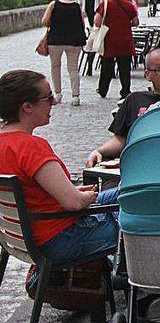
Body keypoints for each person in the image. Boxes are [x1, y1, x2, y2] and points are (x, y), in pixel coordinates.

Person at [0, 70, 118, 281]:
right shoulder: (31, 147)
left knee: (129, 192)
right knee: (141, 213)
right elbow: (73, 203)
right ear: (27, 107)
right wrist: (83, 197)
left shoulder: (5, 142)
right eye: (47, 98)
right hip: (60, 238)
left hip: (28, 237)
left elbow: (36, 193)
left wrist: (74, 194)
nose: (53, 102)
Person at [40, 0, 87, 107]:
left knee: (55, 66)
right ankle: (75, 96)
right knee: (73, 68)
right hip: (74, 41)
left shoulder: (53, 5)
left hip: (55, 40)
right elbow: (82, 23)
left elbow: (44, 22)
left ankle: (58, 93)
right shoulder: (77, 6)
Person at [94, 0, 139, 100]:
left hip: (109, 41)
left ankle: (103, 89)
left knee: (106, 67)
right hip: (125, 41)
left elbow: (97, 22)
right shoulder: (129, 5)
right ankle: (125, 90)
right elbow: (136, 22)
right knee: (124, 68)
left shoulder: (105, 5)